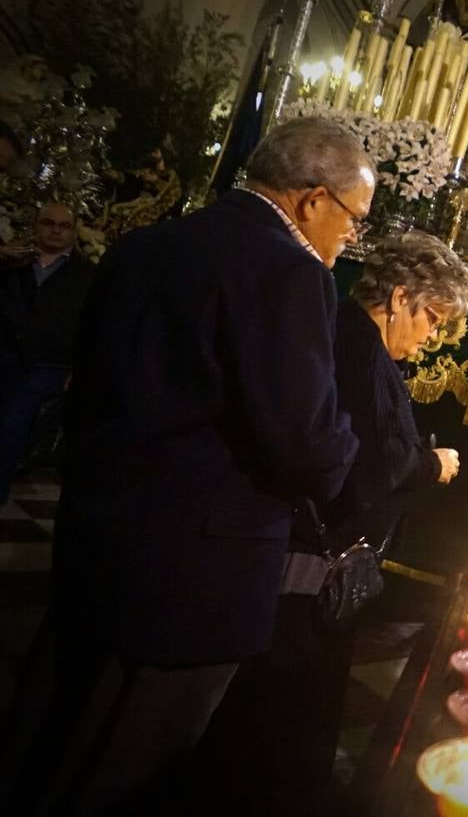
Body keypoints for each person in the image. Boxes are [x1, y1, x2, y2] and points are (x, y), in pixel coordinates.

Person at [3, 116, 369, 815]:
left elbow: (90, 393)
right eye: (355, 218)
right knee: (132, 770)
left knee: (53, 737)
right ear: (312, 199)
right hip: (197, 576)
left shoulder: (145, 245)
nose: (352, 237)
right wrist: (347, 450)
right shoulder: (290, 272)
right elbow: (302, 439)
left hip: (98, 536)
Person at [194, 230, 468, 813]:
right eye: (430, 319)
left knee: (291, 703)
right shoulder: (355, 344)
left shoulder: (356, 336)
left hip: (317, 561)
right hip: (308, 565)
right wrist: (431, 463)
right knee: (285, 707)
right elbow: (365, 460)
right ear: (399, 298)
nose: (429, 339)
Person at [0, 201, 95, 502]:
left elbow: (93, 324)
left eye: (64, 225)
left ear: (74, 231)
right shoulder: (13, 263)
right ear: (36, 226)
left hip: (49, 364)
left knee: (13, 419)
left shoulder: (86, 276)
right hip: (5, 354)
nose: (55, 230)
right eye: (48, 223)